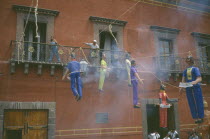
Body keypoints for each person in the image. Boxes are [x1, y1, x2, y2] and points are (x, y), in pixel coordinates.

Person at [181, 55, 204, 124]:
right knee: (191, 103)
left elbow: (199, 78)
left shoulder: (195, 69)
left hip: (196, 87)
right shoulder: (185, 71)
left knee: (198, 101)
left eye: (189, 59)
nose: (188, 61)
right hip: (188, 88)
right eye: (187, 60)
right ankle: (195, 118)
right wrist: (181, 87)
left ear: (192, 60)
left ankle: (200, 117)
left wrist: (195, 81)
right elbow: (183, 80)